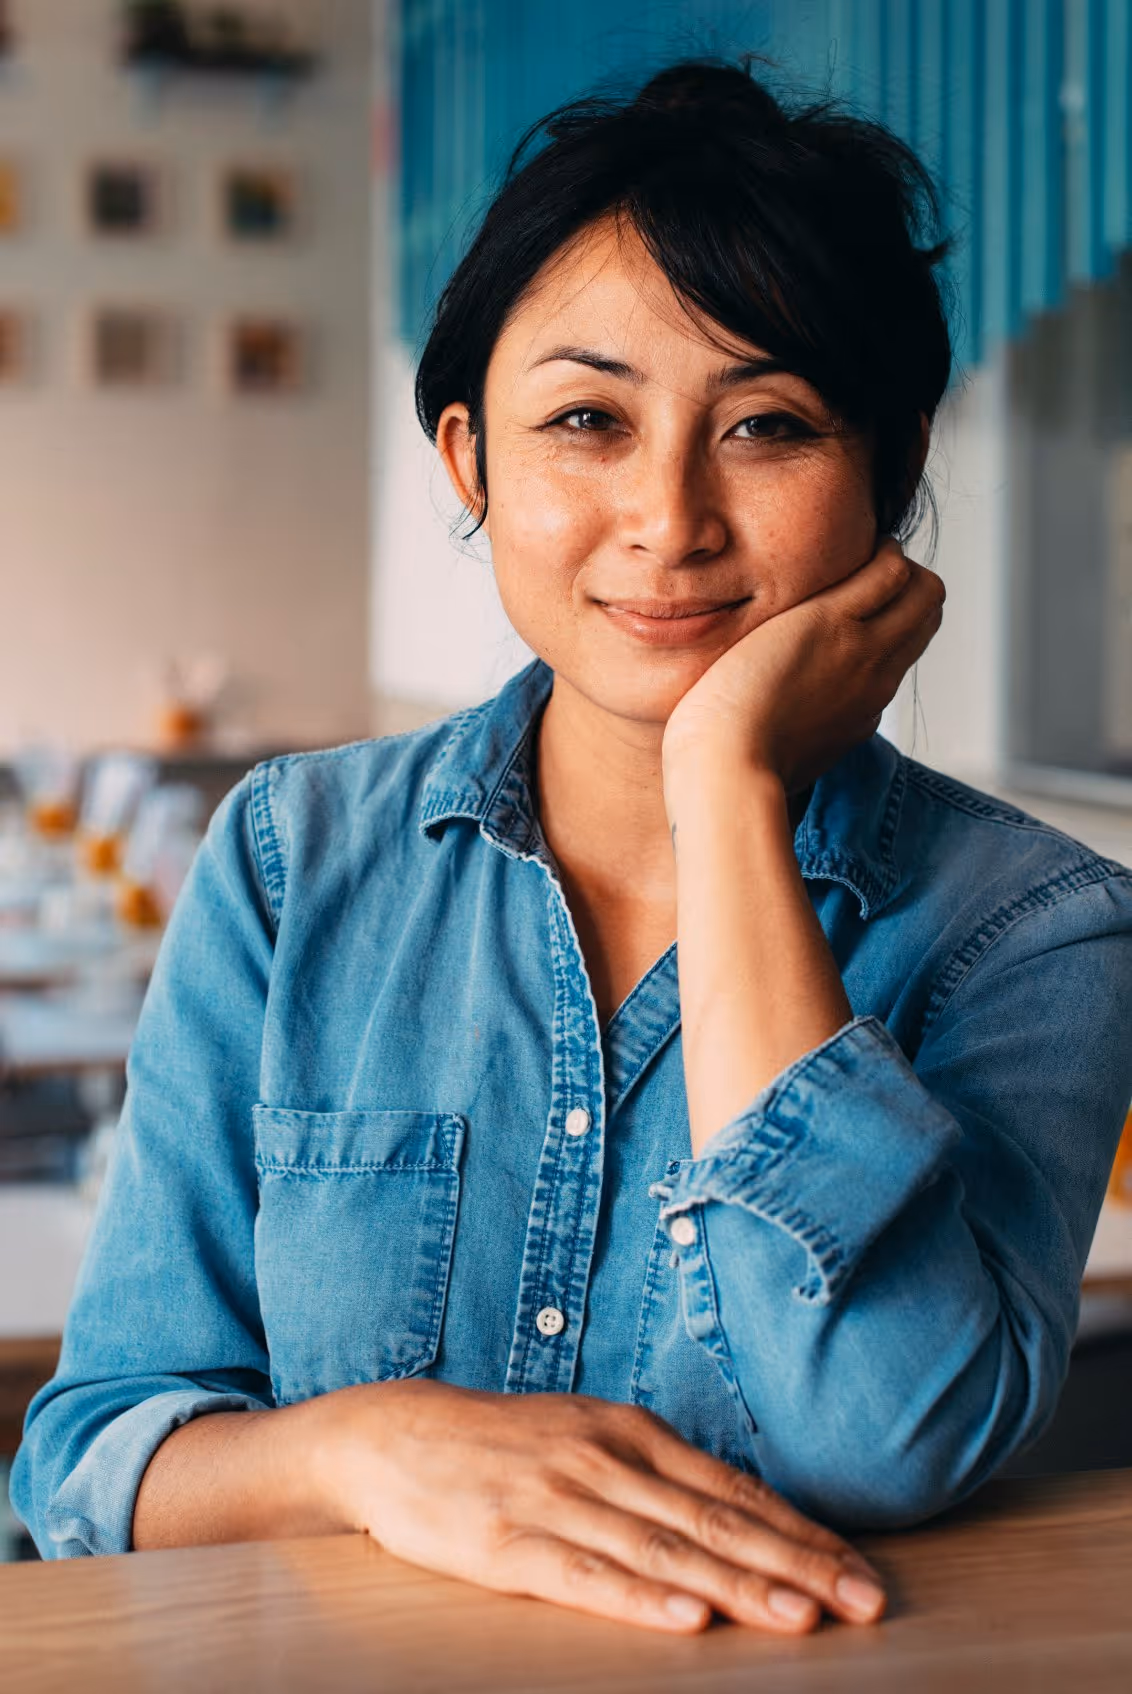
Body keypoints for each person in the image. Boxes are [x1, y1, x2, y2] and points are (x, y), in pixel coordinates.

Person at [13, 60, 1132, 1638]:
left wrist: (731, 784)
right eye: (588, 419)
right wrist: (371, 1449)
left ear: (888, 465)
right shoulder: (290, 858)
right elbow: (87, 1467)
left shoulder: (1040, 927)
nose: (668, 517)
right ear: (471, 460)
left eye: (765, 424)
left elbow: (883, 1436)